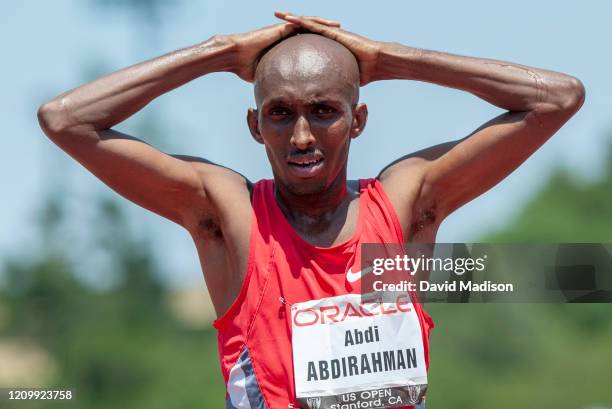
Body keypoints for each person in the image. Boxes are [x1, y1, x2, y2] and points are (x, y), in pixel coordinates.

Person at [37, 10, 585, 409]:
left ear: (358, 119)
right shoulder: (233, 218)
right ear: (255, 126)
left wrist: (389, 59)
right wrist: (221, 53)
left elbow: (557, 98)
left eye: (324, 111)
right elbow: (66, 120)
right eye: (280, 113)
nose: (301, 136)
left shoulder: (403, 206)